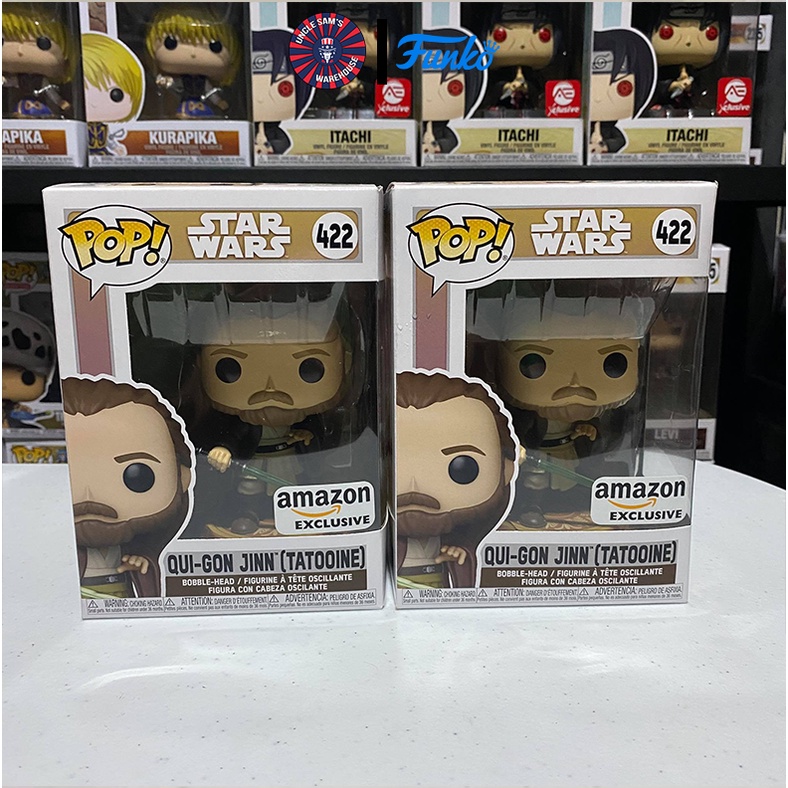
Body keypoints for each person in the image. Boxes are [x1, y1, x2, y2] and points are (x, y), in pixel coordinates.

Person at [63, 377, 193, 599]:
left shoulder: (130, 543)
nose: (90, 495)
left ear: (182, 477)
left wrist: (142, 560)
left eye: (138, 476)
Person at [396, 370, 517, 589]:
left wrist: (460, 551)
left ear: (506, 470)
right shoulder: (381, 539)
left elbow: (467, 554)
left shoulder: (453, 533)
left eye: (462, 468)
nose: (415, 485)